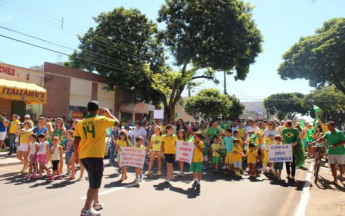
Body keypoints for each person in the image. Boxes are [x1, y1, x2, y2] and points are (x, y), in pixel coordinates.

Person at [74, 101, 120, 216]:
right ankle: (86, 209)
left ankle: (95, 203)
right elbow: (117, 123)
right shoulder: (101, 119)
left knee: (92, 181)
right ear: (97, 109)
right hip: (95, 155)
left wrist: (76, 154)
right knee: (95, 183)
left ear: (87, 110)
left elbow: (76, 140)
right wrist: (109, 113)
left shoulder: (80, 123)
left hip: (84, 155)